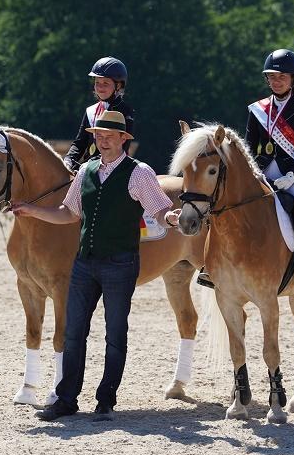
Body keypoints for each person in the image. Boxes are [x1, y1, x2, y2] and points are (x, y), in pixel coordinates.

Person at [13, 110, 179, 422]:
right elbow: (67, 214)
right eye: (98, 136)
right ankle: (66, 399)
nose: (102, 141)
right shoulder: (86, 171)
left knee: (115, 334)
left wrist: (172, 218)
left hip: (121, 263)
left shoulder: (139, 173)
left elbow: (159, 210)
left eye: (108, 136)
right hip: (84, 264)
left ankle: (106, 400)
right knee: (73, 332)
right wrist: (32, 210)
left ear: (122, 139)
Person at [197, 49, 294, 291]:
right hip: (264, 170)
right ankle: (212, 263)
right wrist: (253, 173)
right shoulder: (257, 109)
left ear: (293, 79)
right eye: (272, 77)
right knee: (224, 203)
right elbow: (248, 146)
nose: (276, 81)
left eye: (282, 77)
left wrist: (293, 176)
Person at [63, 56, 135, 172]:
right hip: (88, 168)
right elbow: (79, 142)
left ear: (118, 86)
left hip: (114, 169)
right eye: (97, 83)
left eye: (105, 83)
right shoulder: (90, 111)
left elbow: (122, 146)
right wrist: (69, 160)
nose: (100, 87)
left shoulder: (125, 111)